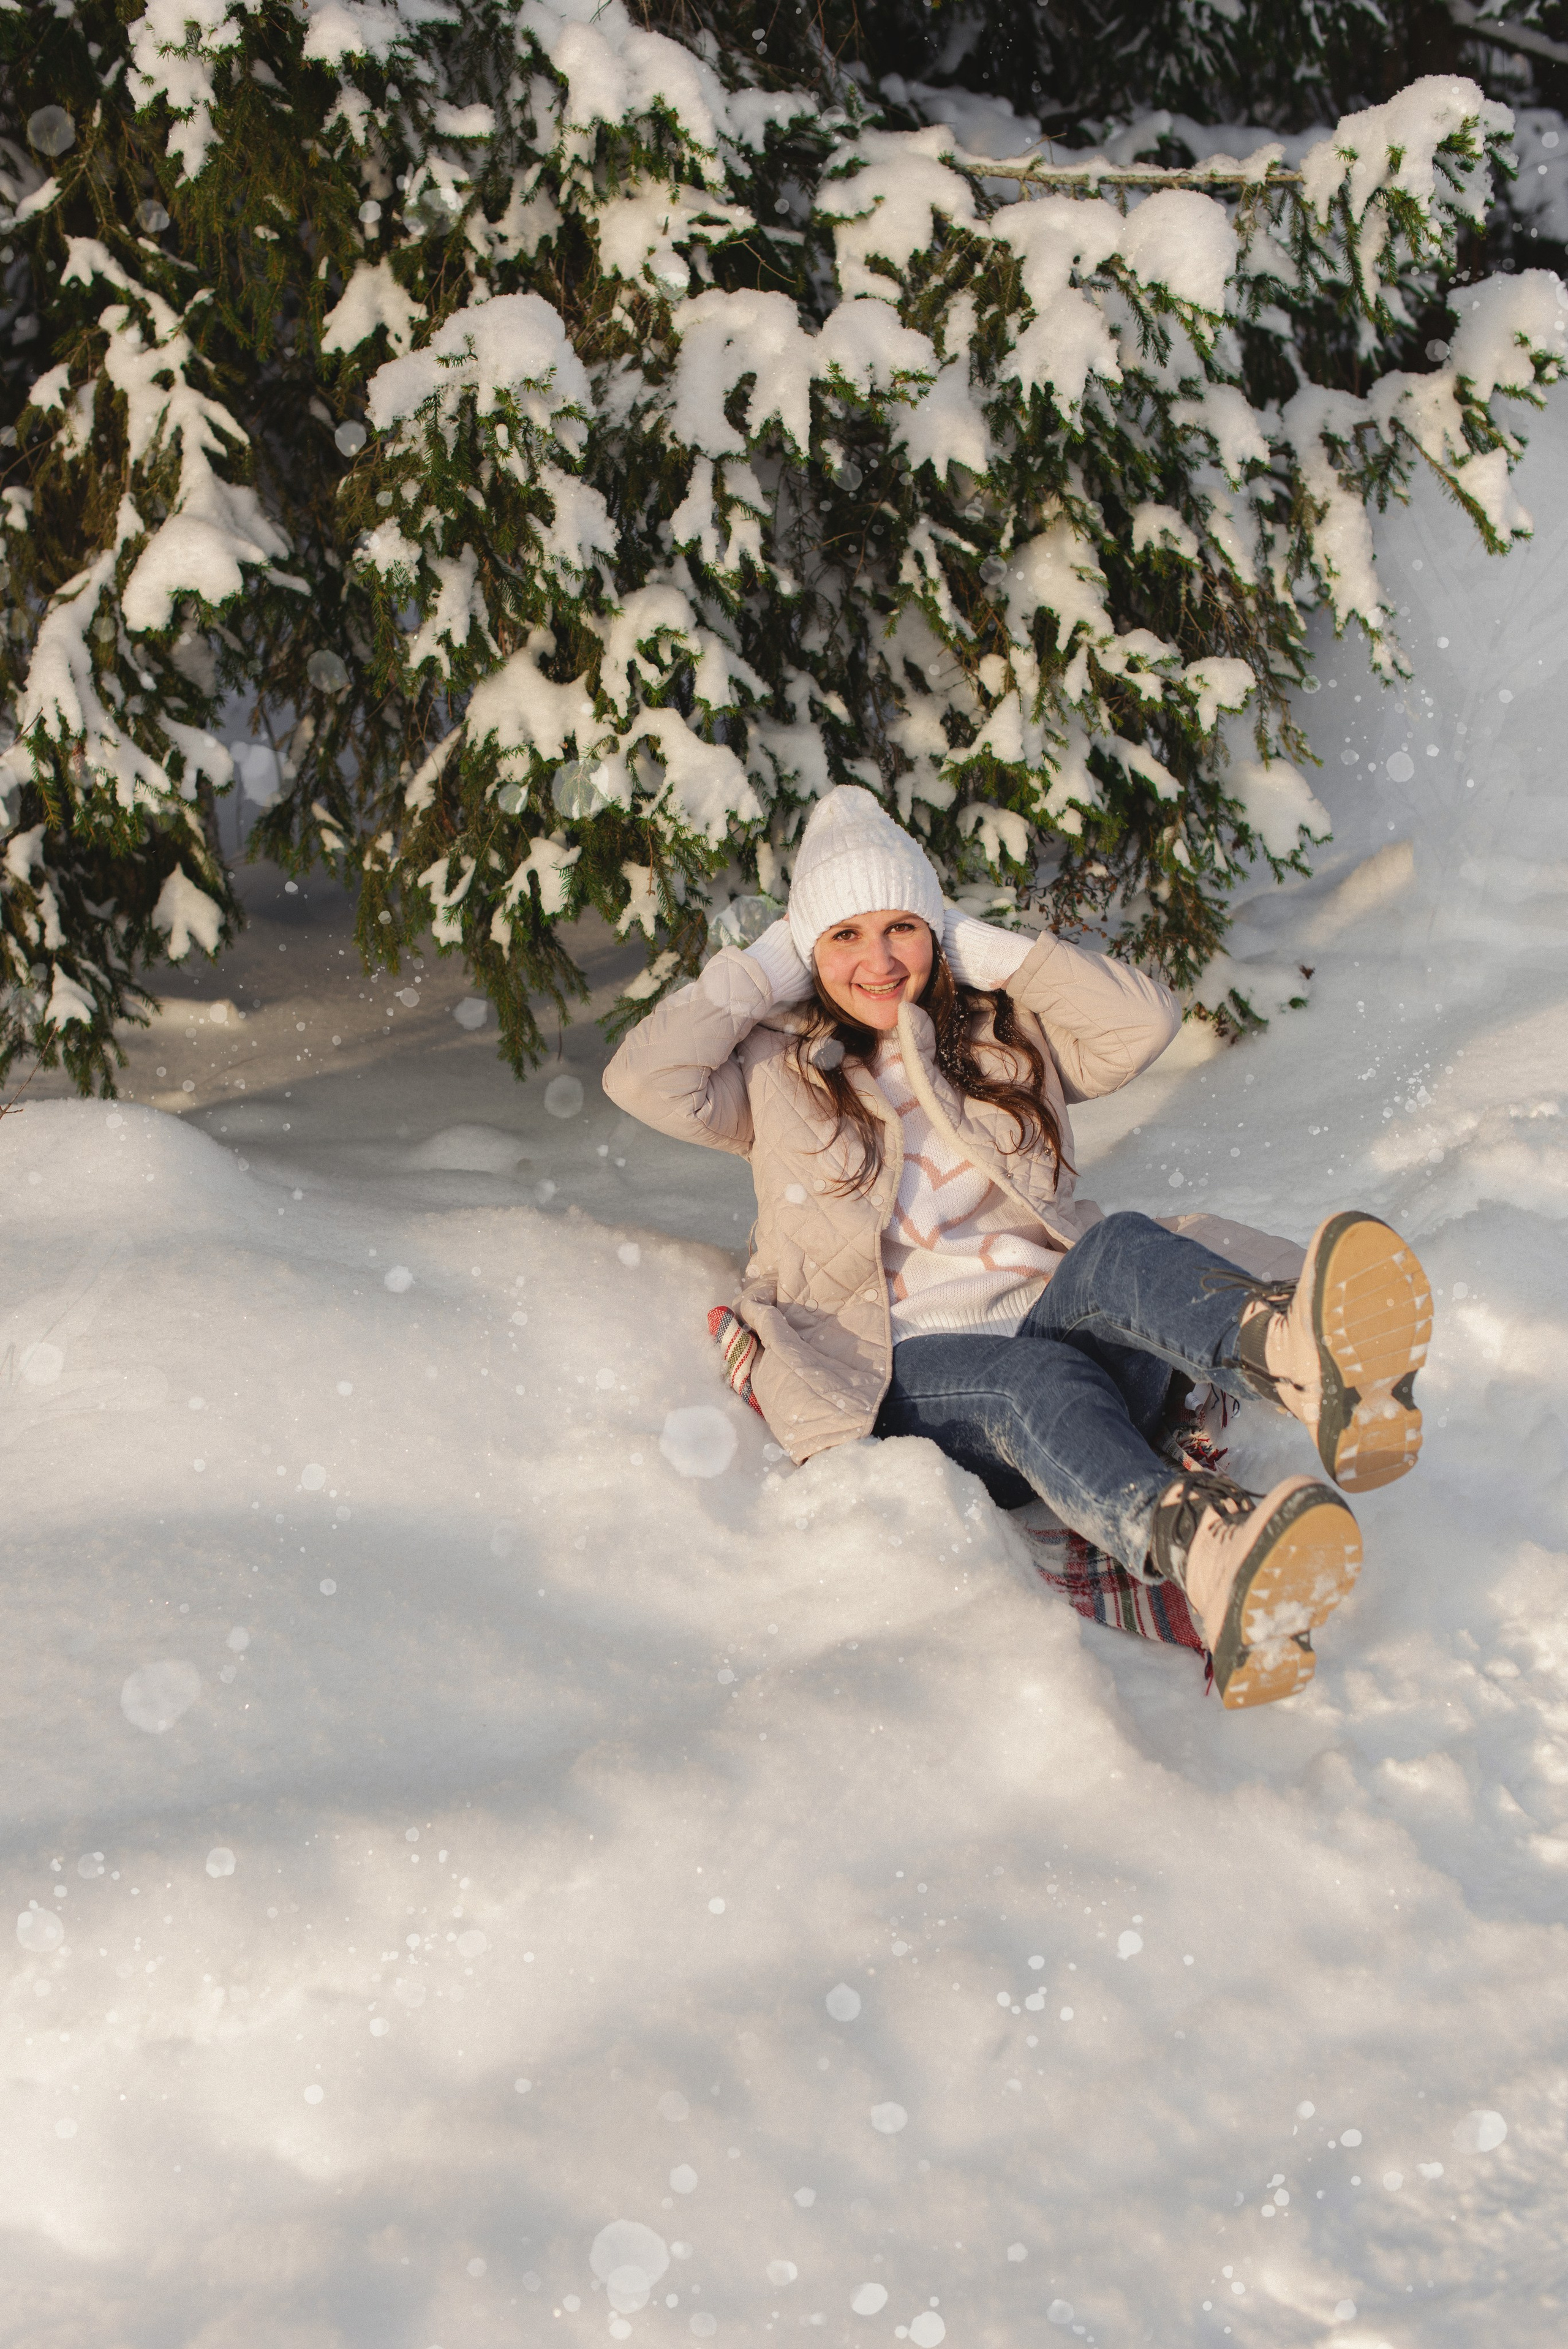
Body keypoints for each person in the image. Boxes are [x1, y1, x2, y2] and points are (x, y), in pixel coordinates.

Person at [603, 787, 1430, 1710]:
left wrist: (983, 949)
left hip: (1052, 1319)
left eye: (902, 928)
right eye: (844, 936)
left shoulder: (1001, 1034)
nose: (878, 960)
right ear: (806, 947)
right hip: (905, 1367)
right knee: (1032, 1384)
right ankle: (1206, 1550)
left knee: (1117, 1243)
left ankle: (1294, 1361)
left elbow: (1142, 1024)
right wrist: (768, 962)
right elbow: (644, 1080)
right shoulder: (772, 1069)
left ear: (938, 931)